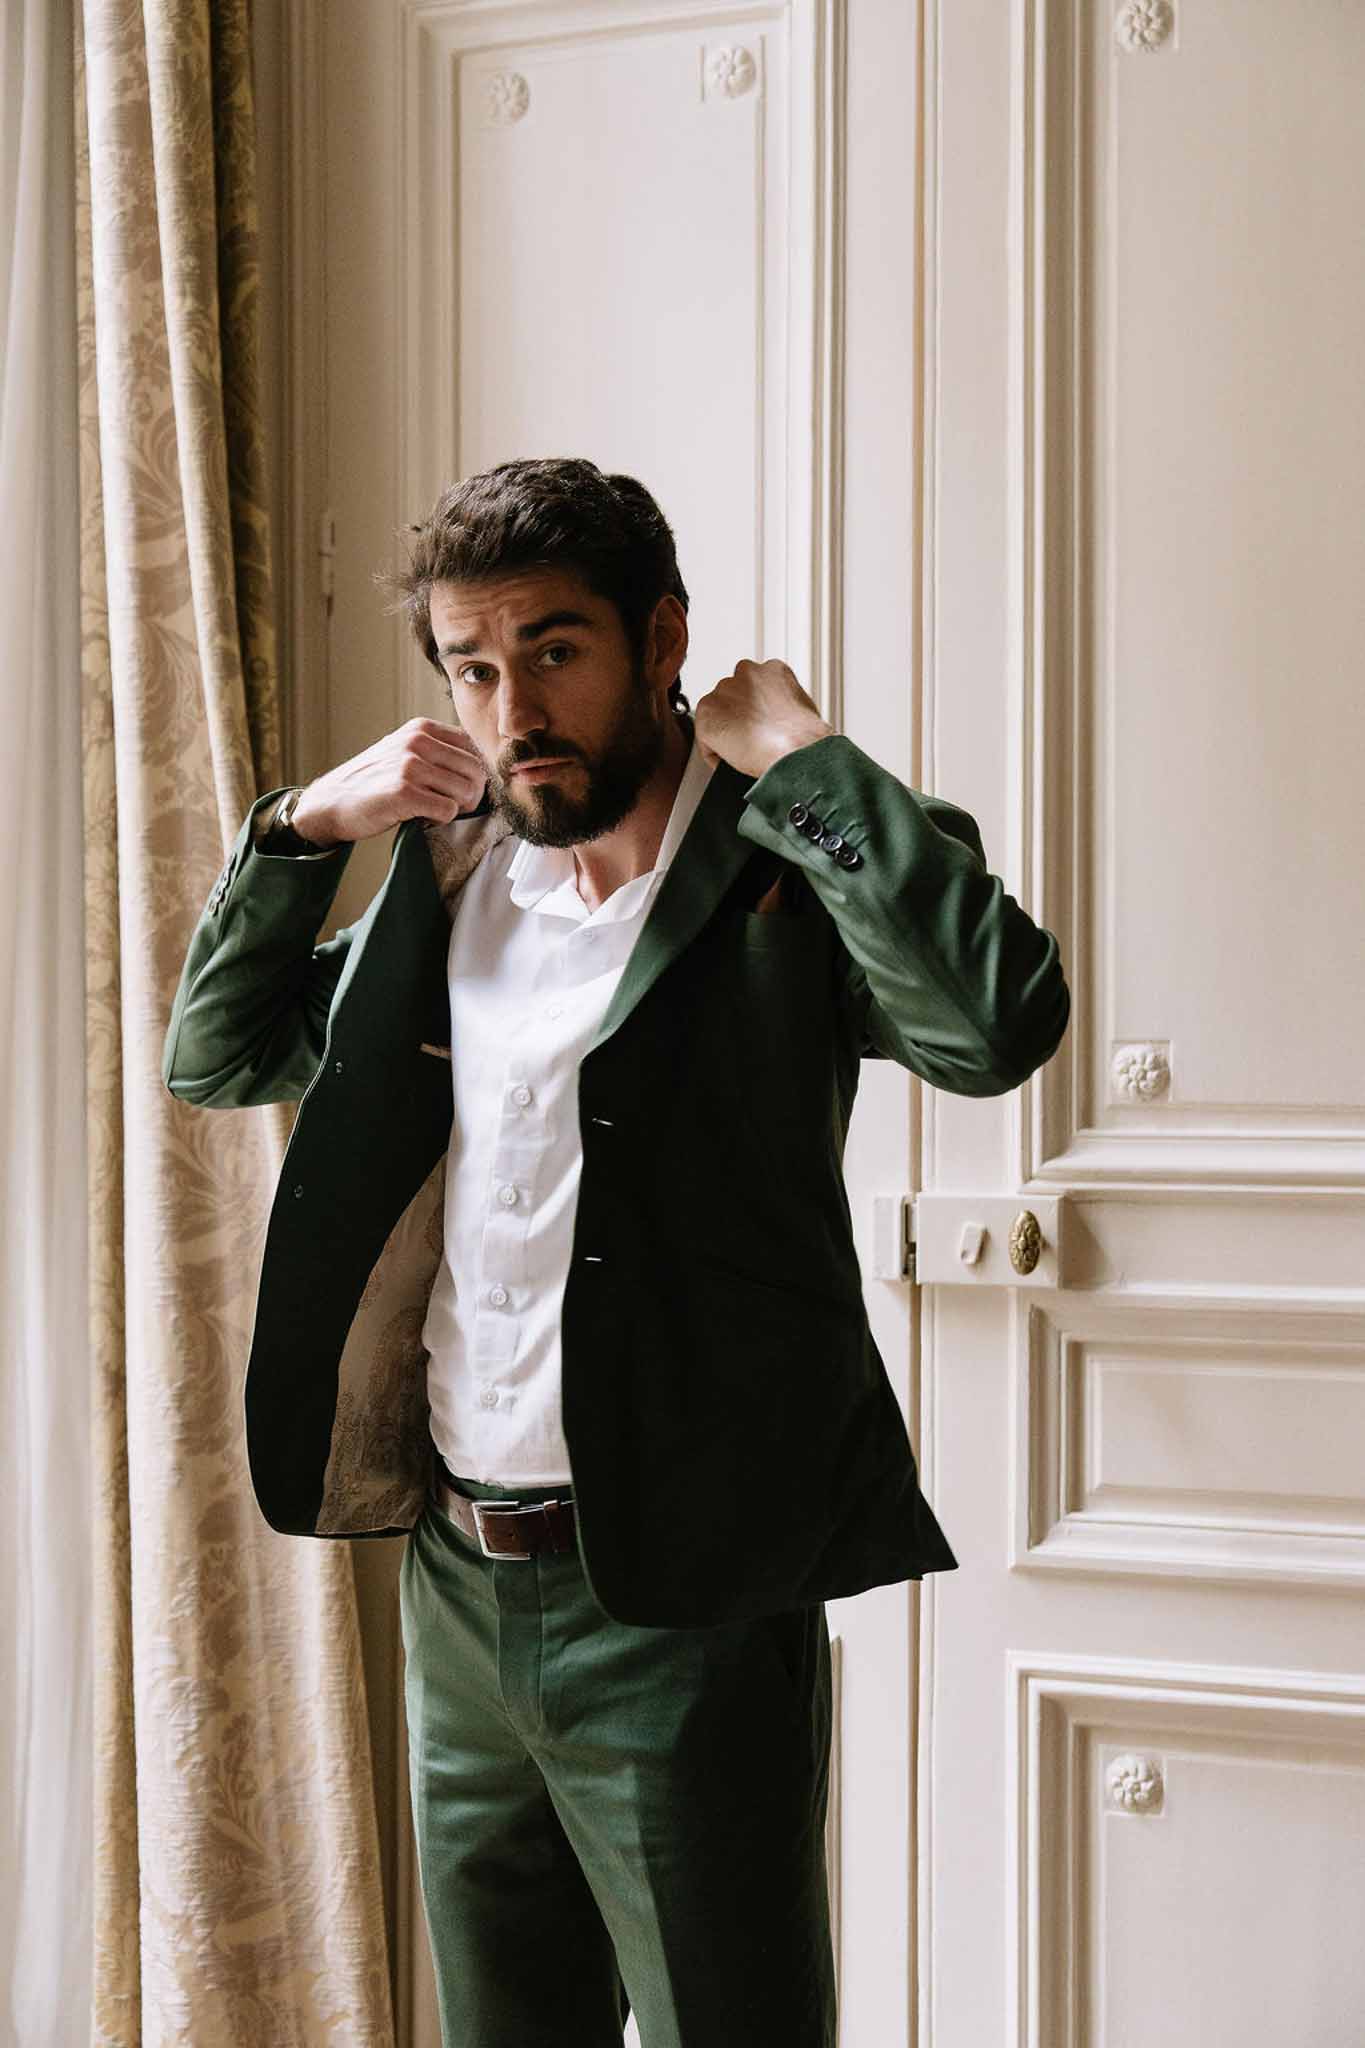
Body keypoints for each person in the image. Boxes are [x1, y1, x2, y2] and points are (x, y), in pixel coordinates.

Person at [163, 455, 1070, 2047]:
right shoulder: (444, 886)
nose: (513, 704)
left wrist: (806, 755)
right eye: (473, 664)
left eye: (554, 652)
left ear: (661, 642)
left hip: (682, 1594)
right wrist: (313, 825)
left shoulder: (785, 869)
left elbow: (991, 1029)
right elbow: (221, 1056)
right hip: (455, 1582)